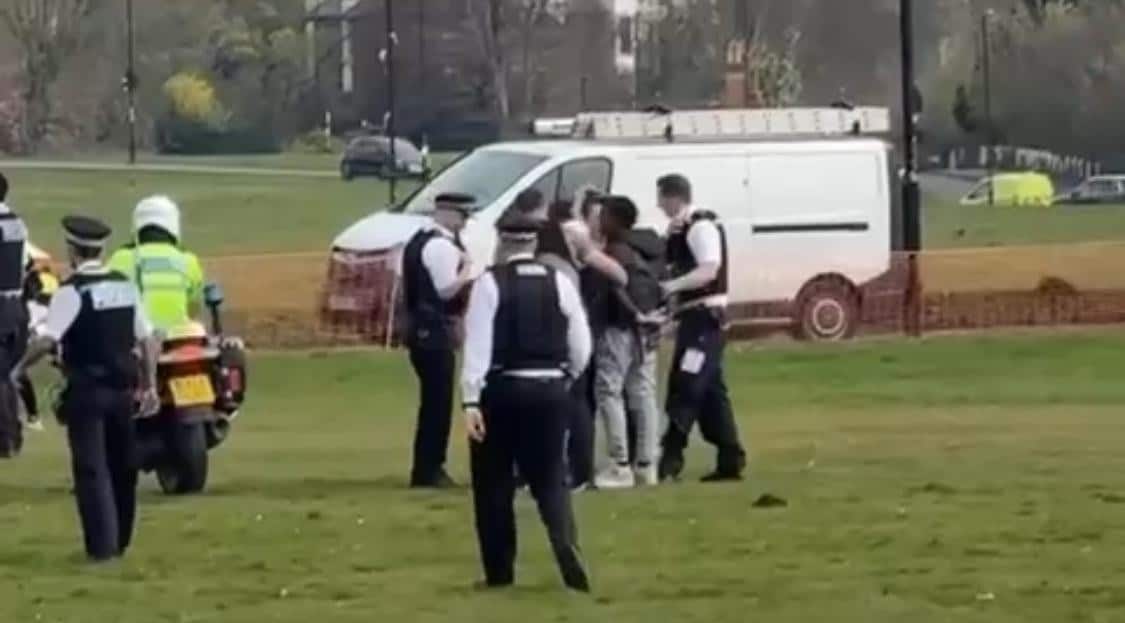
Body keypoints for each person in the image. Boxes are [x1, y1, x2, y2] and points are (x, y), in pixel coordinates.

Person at [10, 215, 159, 562]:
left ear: (73, 251)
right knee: (124, 466)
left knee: (92, 470)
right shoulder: (125, 286)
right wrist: (149, 384)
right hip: (124, 389)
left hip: (87, 392)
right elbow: (148, 340)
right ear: (101, 249)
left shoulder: (72, 291)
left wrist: (17, 369)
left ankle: (102, 547)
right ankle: (121, 539)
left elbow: (48, 341)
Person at [461, 206, 592, 592]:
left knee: (494, 483)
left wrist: (470, 400)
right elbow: (581, 344)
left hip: (502, 390)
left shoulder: (490, 284)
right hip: (551, 389)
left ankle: (500, 572)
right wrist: (566, 376)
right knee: (551, 476)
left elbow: (478, 347)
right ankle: (566, 545)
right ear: (533, 243)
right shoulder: (560, 281)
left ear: (502, 241)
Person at [533, 189, 628, 491]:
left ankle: (544, 467)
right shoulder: (574, 237)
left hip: (540, 323)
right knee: (577, 399)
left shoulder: (532, 236)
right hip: (573, 319)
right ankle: (579, 469)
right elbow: (618, 274)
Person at [655, 174, 747, 483]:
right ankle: (730, 456)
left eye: (661, 199)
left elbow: (709, 270)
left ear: (673, 198)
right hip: (692, 318)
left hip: (705, 319)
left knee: (687, 383)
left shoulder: (700, 227)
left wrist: (671, 287)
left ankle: (671, 454)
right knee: (710, 392)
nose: (658, 205)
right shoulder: (679, 230)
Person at [401, 193, 476, 488]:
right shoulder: (441, 247)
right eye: (463, 215)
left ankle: (426, 466)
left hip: (422, 330)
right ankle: (430, 469)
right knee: (438, 404)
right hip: (433, 331)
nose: (465, 222)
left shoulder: (419, 240)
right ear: (449, 213)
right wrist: (468, 272)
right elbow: (445, 290)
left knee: (433, 403)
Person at [592, 196, 666, 489]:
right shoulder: (649, 246)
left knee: (609, 392)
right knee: (643, 393)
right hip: (648, 328)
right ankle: (647, 464)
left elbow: (616, 286)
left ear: (614, 219)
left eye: (602, 216)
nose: (598, 222)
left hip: (618, 327)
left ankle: (619, 463)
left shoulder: (616, 250)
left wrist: (633, 313)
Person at [108, 195, 205, 332]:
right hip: (177, 340)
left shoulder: (120, 258)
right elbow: (194, 307)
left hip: (138, 342)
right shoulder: (188, 260)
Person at [0, 171, 30, 458]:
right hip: (16, 304)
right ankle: (12, 433)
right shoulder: (17, 224)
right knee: (7, 373)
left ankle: (6, 439)